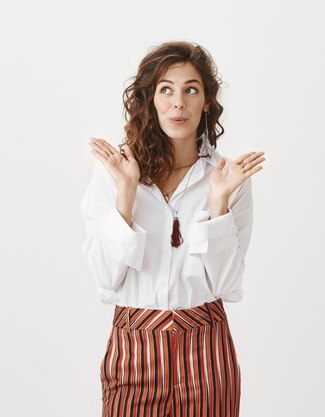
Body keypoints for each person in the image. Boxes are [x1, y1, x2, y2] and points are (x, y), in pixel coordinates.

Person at [79, 41, 265, 417]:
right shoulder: (115, 173)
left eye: (190, 89)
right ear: (150, 99)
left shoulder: (228, 178)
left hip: (207, 351)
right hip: (134, 349)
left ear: (207, 101)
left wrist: (218, 205)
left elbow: (227, 285)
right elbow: (105, 277)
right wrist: (126, 194)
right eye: (166, 89)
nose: (178, 102)